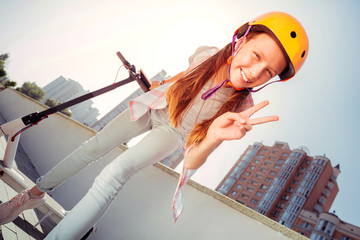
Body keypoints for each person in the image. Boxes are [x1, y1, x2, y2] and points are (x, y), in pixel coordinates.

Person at [0, 11, 308, 239]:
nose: (255, 72)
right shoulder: (207, 55)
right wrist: (163, 83)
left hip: (172, 133)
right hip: (155, 104)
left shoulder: (242, 108)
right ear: (241, 40)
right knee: (92, 147)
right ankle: (32, 195)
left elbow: (194, 160)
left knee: (114, 174)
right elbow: (183, 77)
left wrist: (213, 138)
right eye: (256, 56)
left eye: (268, 71)